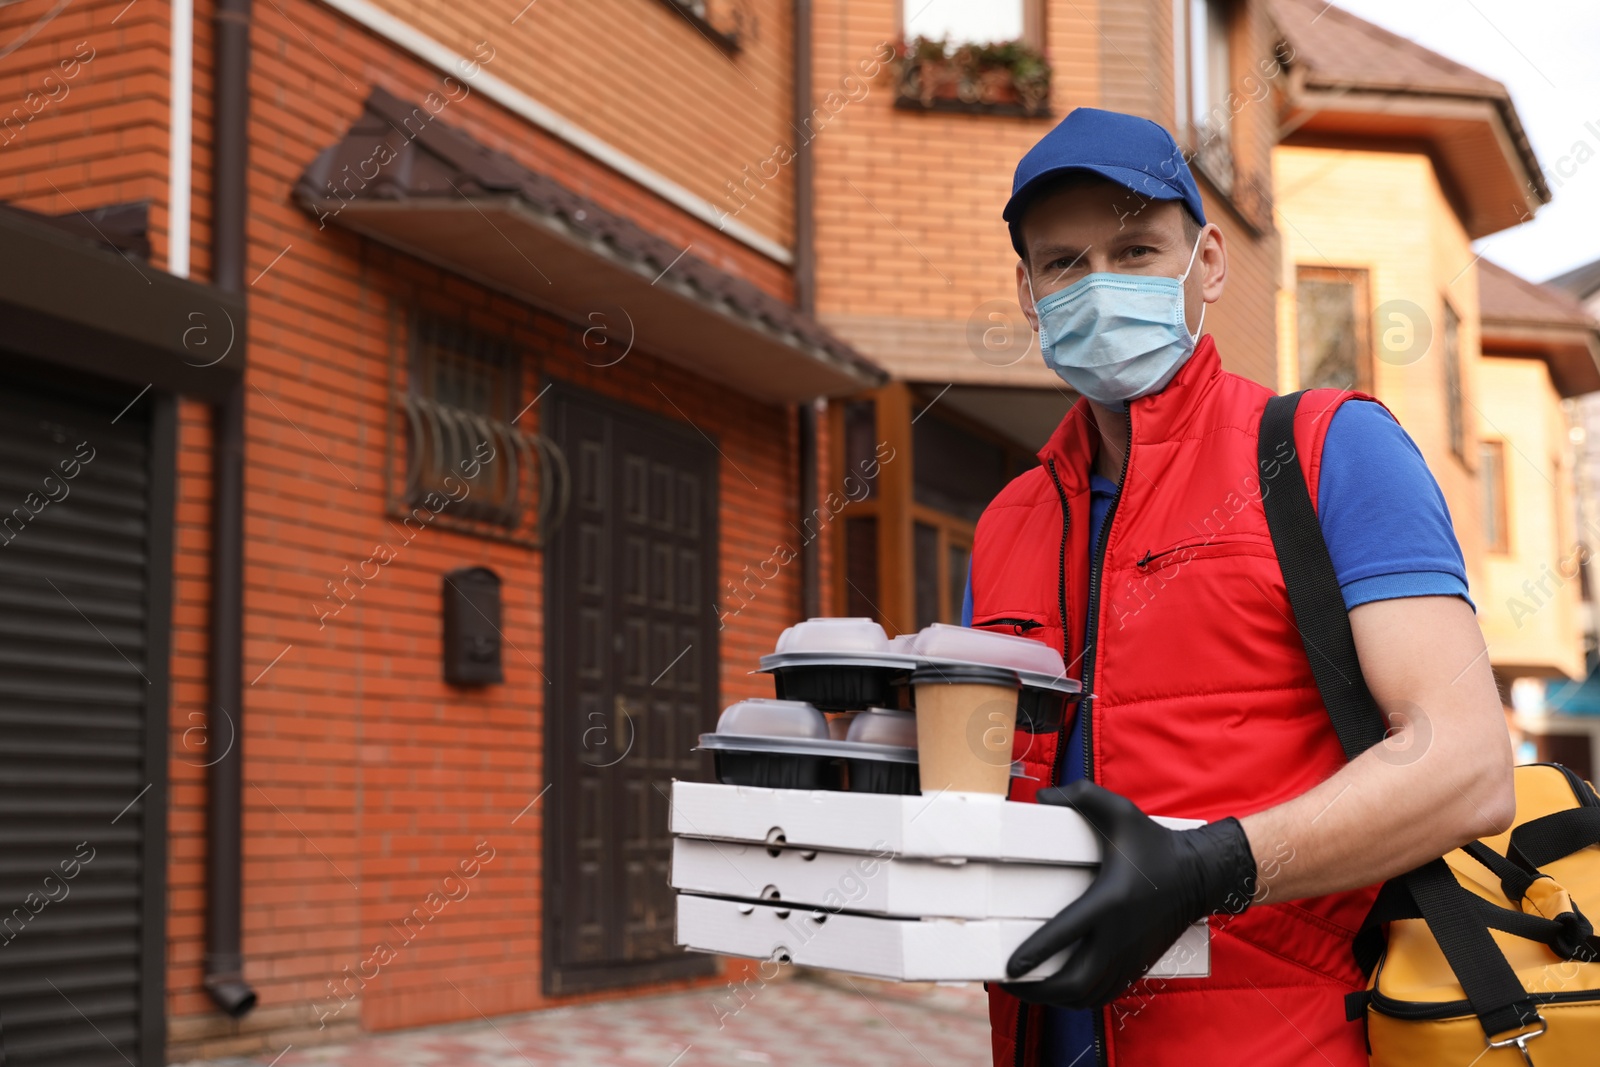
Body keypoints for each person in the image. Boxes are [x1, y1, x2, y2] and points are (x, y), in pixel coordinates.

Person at [961, 107, 1515, 1067]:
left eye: (1137, 249)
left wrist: (1207, 869)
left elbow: (1465, 763)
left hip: (1283, 1040)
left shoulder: (1328, 449)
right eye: (1064, 264)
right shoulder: (1008, 519)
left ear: (1209, 262)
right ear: (1027, 289)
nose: (1100, 287)